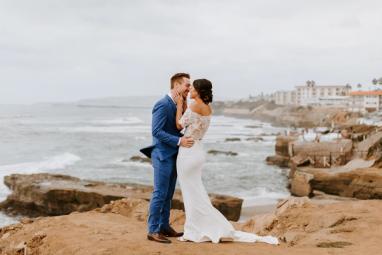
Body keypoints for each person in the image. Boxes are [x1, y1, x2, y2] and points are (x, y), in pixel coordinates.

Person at [174, 78, 279, 245]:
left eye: (193, 88)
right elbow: (193, 123)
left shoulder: (194, 105)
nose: (190, 90)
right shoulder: (208, 108)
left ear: (199, 91)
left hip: (188, 151)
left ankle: (195, 230)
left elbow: (179, 125)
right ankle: (198, 227)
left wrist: (180, 103)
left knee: (191, 193)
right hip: (198, 150)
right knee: (196, 192)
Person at [144, 73, 195, 244]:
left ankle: (164, 226)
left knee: (168, 194)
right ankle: (152, 230)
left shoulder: (178, 104)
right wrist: (180, 140)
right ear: (176, 85)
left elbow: (177, 126)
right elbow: (156, 132)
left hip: (174, 155)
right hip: (162, 155)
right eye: (187, 85)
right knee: (159, 193)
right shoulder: (162, 104)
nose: (189, 88)